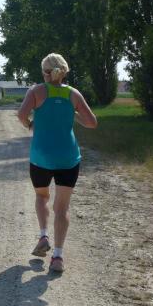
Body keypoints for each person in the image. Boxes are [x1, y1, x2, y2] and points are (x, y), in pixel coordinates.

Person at [17, 53, 97, 273]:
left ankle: (43, 236)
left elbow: (21, 115)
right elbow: (92, 123)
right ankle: (58, 257)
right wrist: (73, 113)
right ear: (64, 71)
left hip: (41, 157)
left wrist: (30, 124)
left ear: (45, 72)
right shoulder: (73, 94)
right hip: (68, 158)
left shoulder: (36, 91)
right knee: (62, 209)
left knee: (42, 197)